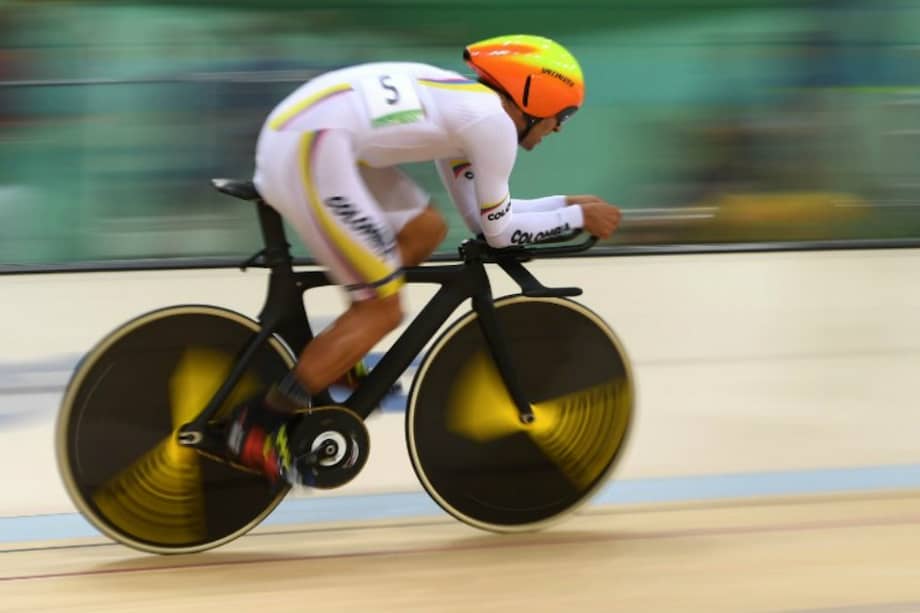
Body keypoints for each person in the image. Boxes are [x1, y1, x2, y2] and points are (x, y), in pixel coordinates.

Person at [226, 34, 623, 485]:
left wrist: (565, 205)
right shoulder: (491, 124)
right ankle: (260, 423)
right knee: (383, 310)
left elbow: (480, 217)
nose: (559, 128)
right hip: (311, 145)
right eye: (563, 115)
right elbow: (498, 230)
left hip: (314, 135)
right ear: (537, 95)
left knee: (424, 230)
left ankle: (338, 350)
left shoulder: (470, 110)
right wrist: (574, 217)